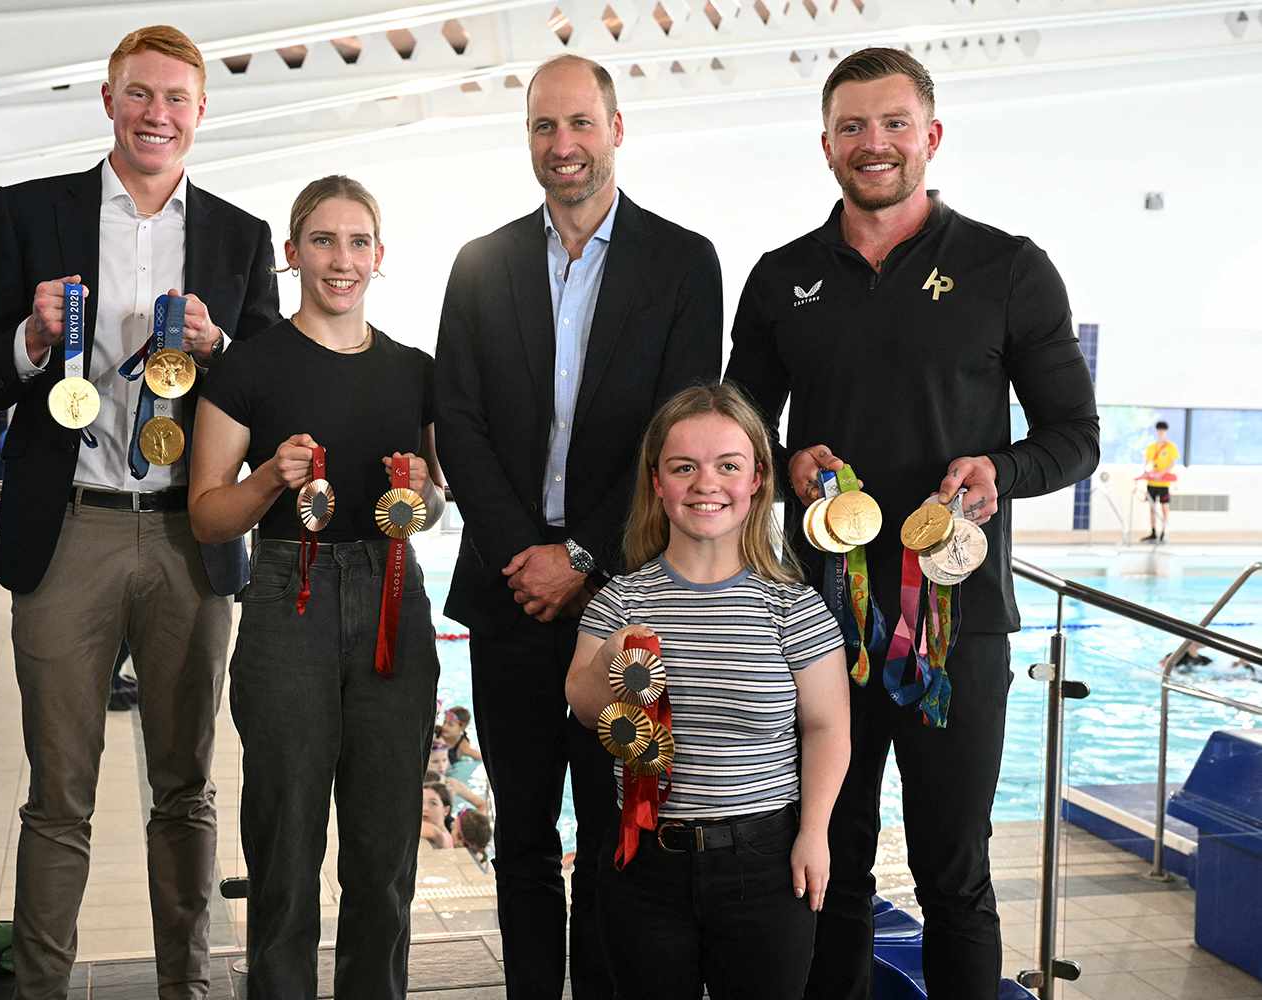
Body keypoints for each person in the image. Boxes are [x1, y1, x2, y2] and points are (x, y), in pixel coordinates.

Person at [724, 48, 1099, 1000]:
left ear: (930, 137)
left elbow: (1075, 438)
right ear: (826, 146)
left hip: (956, 627)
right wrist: (781, 466)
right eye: (852, 127)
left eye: (894, 124)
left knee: (954, 880)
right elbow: (734, 435)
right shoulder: (780, 279)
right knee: (827, 872)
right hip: (819, 630)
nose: (874, 143)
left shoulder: (1008, 269)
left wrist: (999, 471)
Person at [0, 24, 279, 1000]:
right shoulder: (28, 214)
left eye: (177, 99)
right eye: (140, 95)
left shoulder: (240, 236)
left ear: (201, 113)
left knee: (186, 789)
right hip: (71, 531)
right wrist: (29, 335)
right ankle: (43, 987)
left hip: (190, 532)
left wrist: (224, 354)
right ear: (107, 100)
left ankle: (190, 985)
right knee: (59, 794)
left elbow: (272, 404)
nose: (157, 115)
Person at [434, 53, 723, 999]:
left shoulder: (683, 264)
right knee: (522, 833)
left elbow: (677, 434)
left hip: (627, 594)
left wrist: (583, 556)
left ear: (616, 128)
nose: (563, 146)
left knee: (615, 835)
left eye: (580, 124)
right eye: (543, 128)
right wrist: (531, 556)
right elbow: (459, 421)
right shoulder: (481, 264)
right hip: (510, 590)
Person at [188, 175, 444, 1000]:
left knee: (384, 848)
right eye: (323, 241)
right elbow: (207, 514)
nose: (342, 260)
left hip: (391, 601)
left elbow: (435, 503)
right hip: (285, 594)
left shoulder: (415, 372)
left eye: (358, 241)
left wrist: (419, 494)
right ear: (293, 253)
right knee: (286, 843)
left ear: (380, 256)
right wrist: (267, 477)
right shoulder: (250, 367)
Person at [565, 383, 850, 998]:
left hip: (766, 866)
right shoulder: (620, 601)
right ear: (658, 482)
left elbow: (827, 727)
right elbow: (585, 709)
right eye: (683, 467)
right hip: (643, 862)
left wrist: (816, 831)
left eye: (727, 465)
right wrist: (614, 659)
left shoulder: (792, 607)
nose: (706, 483)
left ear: (756, 480)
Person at [1138, 420, 1179, 542]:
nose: (1161, 433)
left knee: (1164, 507)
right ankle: (1153, 532)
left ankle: (1164, 532)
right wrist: (1147, 471)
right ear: (1157, 431)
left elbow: (1172, 464)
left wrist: (1162, 473)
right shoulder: (1151, 448)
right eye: (1159, 430)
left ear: (1166, 432)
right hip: (1151, 483)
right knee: (1152, 508)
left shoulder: (1171, 447)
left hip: (1164, 484)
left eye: (1163, 431)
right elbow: (1147, 463)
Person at [422, 782, 456, 850]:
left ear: (446, 810)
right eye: (421, 802)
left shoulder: (443, 837)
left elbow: (433, 832)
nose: (424, 808)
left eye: (433, 803)